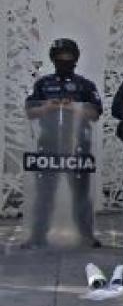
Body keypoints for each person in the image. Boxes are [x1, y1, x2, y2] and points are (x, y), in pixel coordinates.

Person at [24, 38, 103, 248]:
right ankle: (37, 236)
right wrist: (46, 107)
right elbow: (30, 111)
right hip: (48, 144)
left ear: (75, 58)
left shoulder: (85, 85)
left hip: (77, 145)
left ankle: (86, 235)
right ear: (53, 58)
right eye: (60, 56)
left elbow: (95, 113)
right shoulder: (43, 84)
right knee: (45, 194)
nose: (64, 60)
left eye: (68, 56)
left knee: (80, 195)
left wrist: (73, 108)